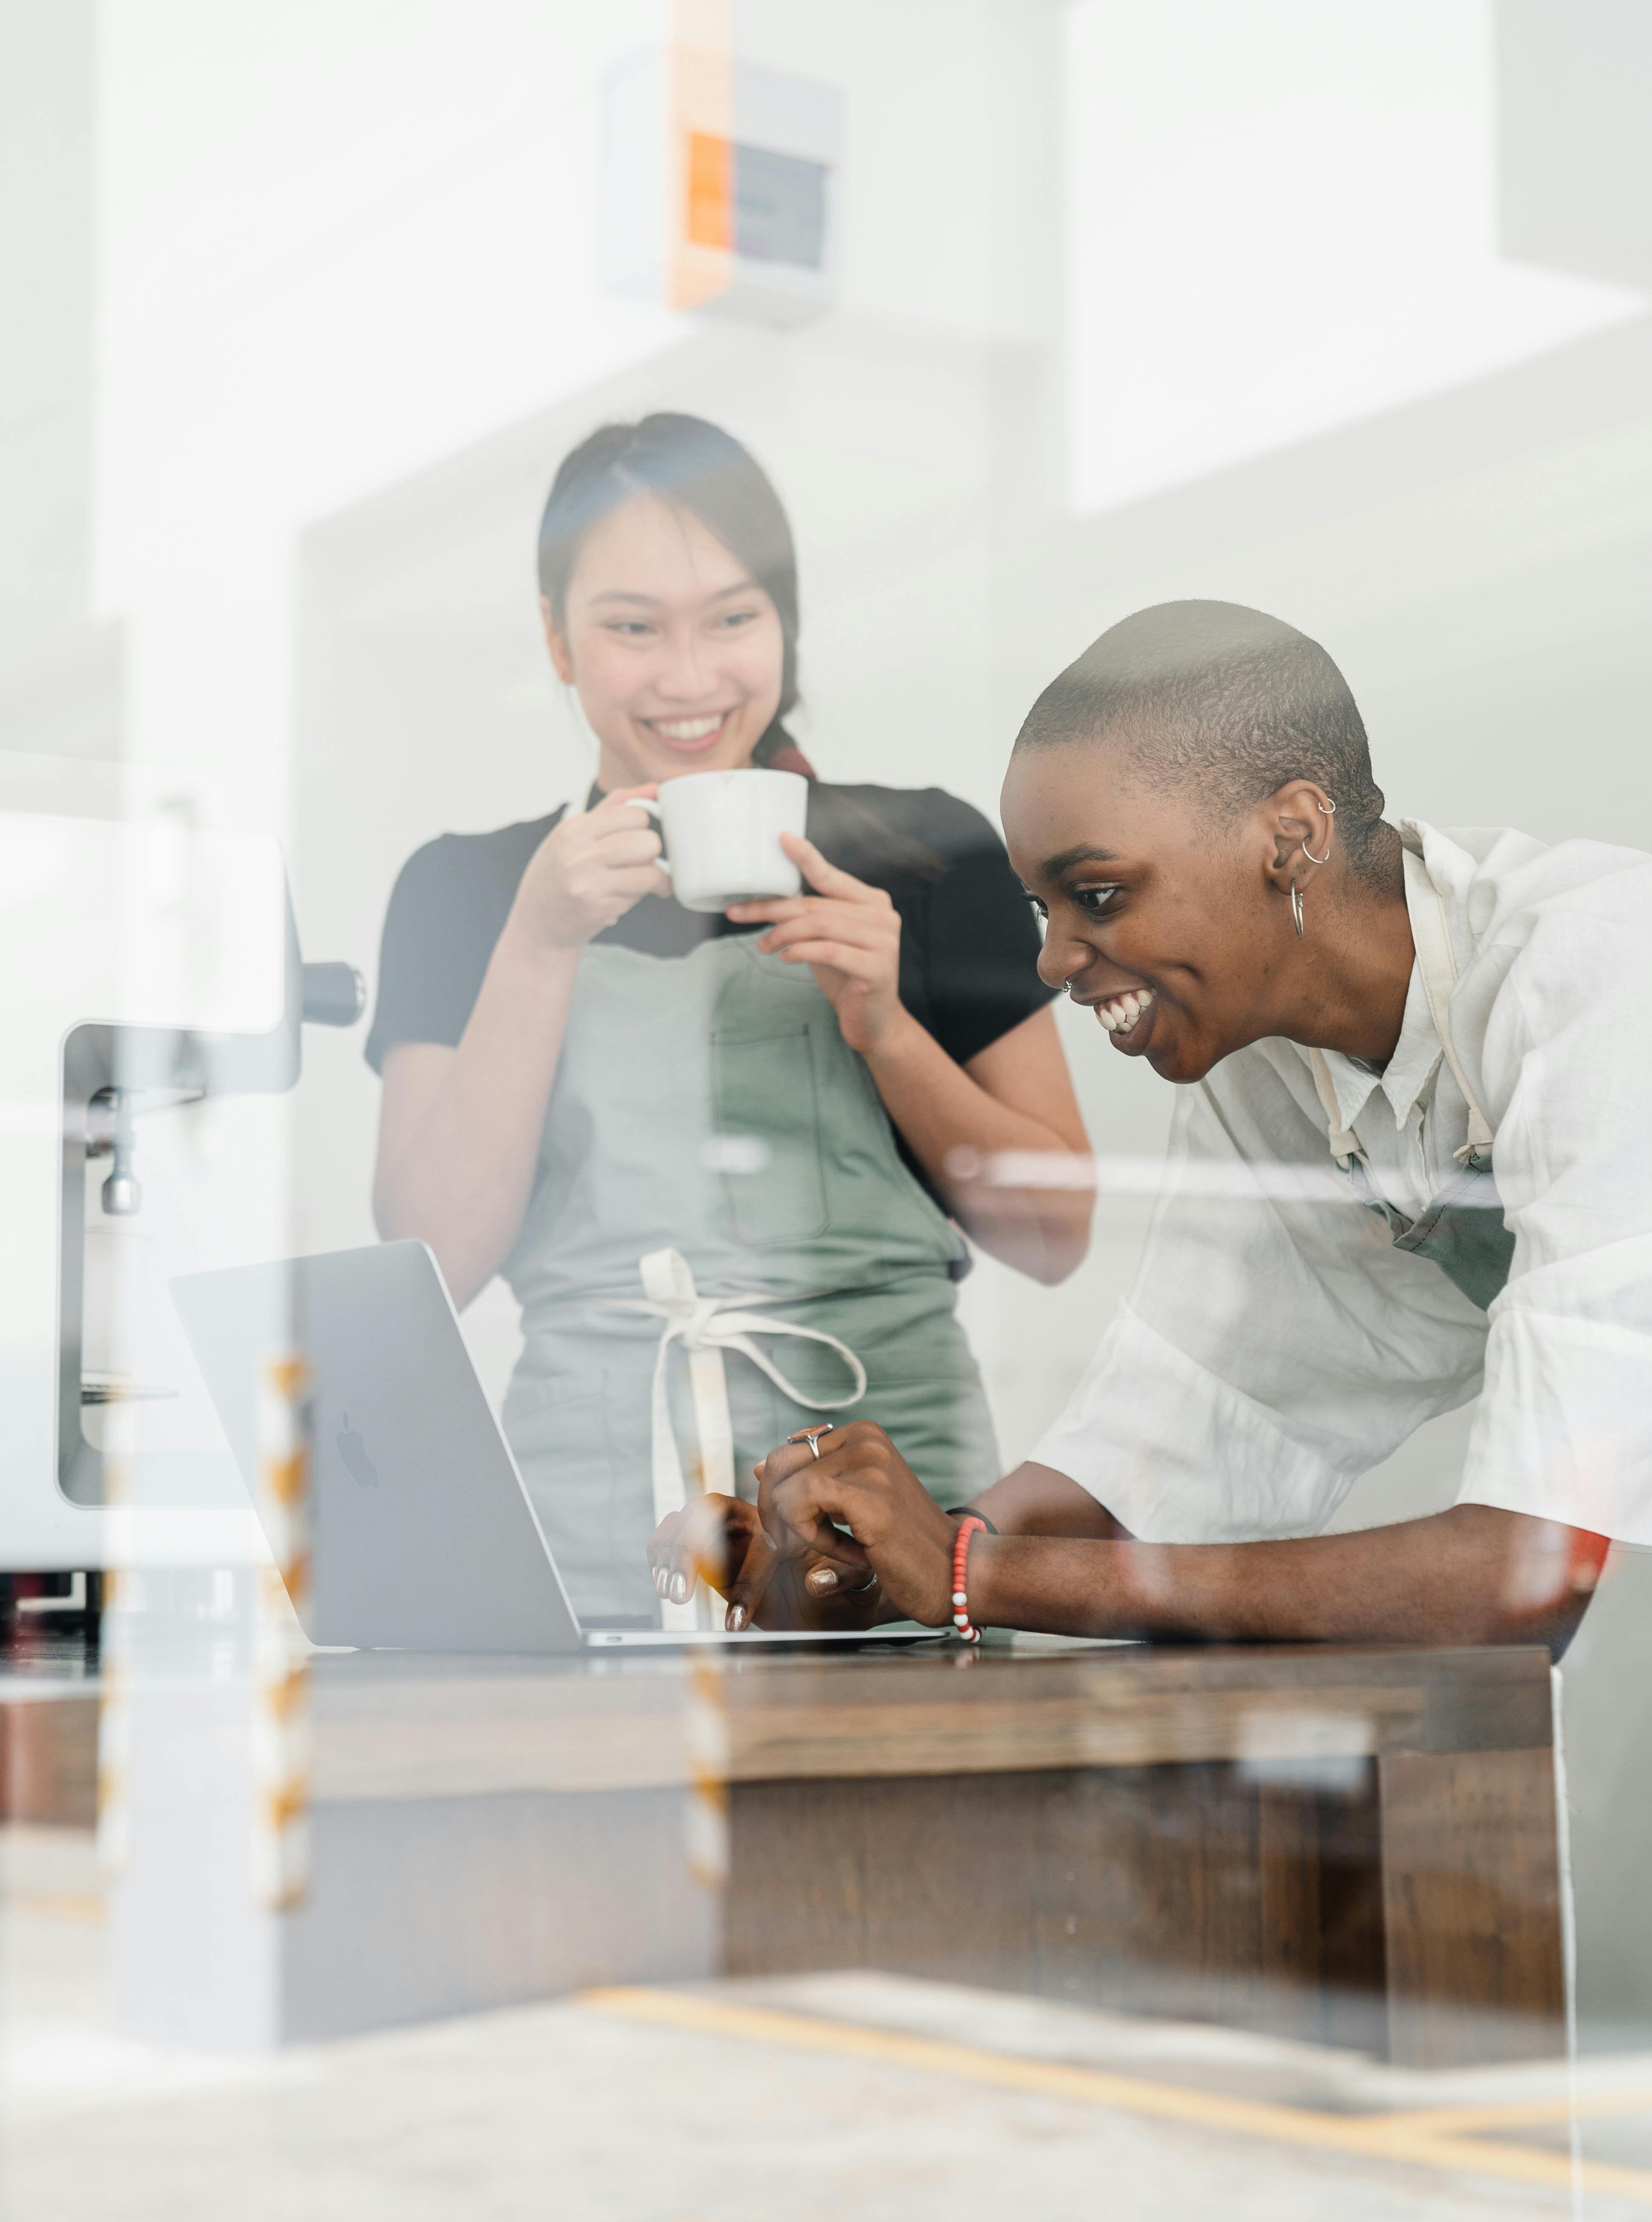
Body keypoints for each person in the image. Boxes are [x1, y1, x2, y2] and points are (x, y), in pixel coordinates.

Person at [650, 598, 1633, 1651]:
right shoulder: (1263, 1064)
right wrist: (877, 1561)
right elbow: (1177, 1431)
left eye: (1100, 893)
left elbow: (1522, 1578)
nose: (1054, 960)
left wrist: (968, 1569)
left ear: (1290, 837)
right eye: (1045, 907)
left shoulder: (1605, 981)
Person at [367, 413, 1091, 1621]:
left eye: (732, 619)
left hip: (900, 1514)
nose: (690, 677)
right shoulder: (467, 891)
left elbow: (1056, 1231)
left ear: (785, 624)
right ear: (557, 638)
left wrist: (886, 1022)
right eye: (632, 626)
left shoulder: (933, 855)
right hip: (589, 1520)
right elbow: (432, 1265)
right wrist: (541, 938)